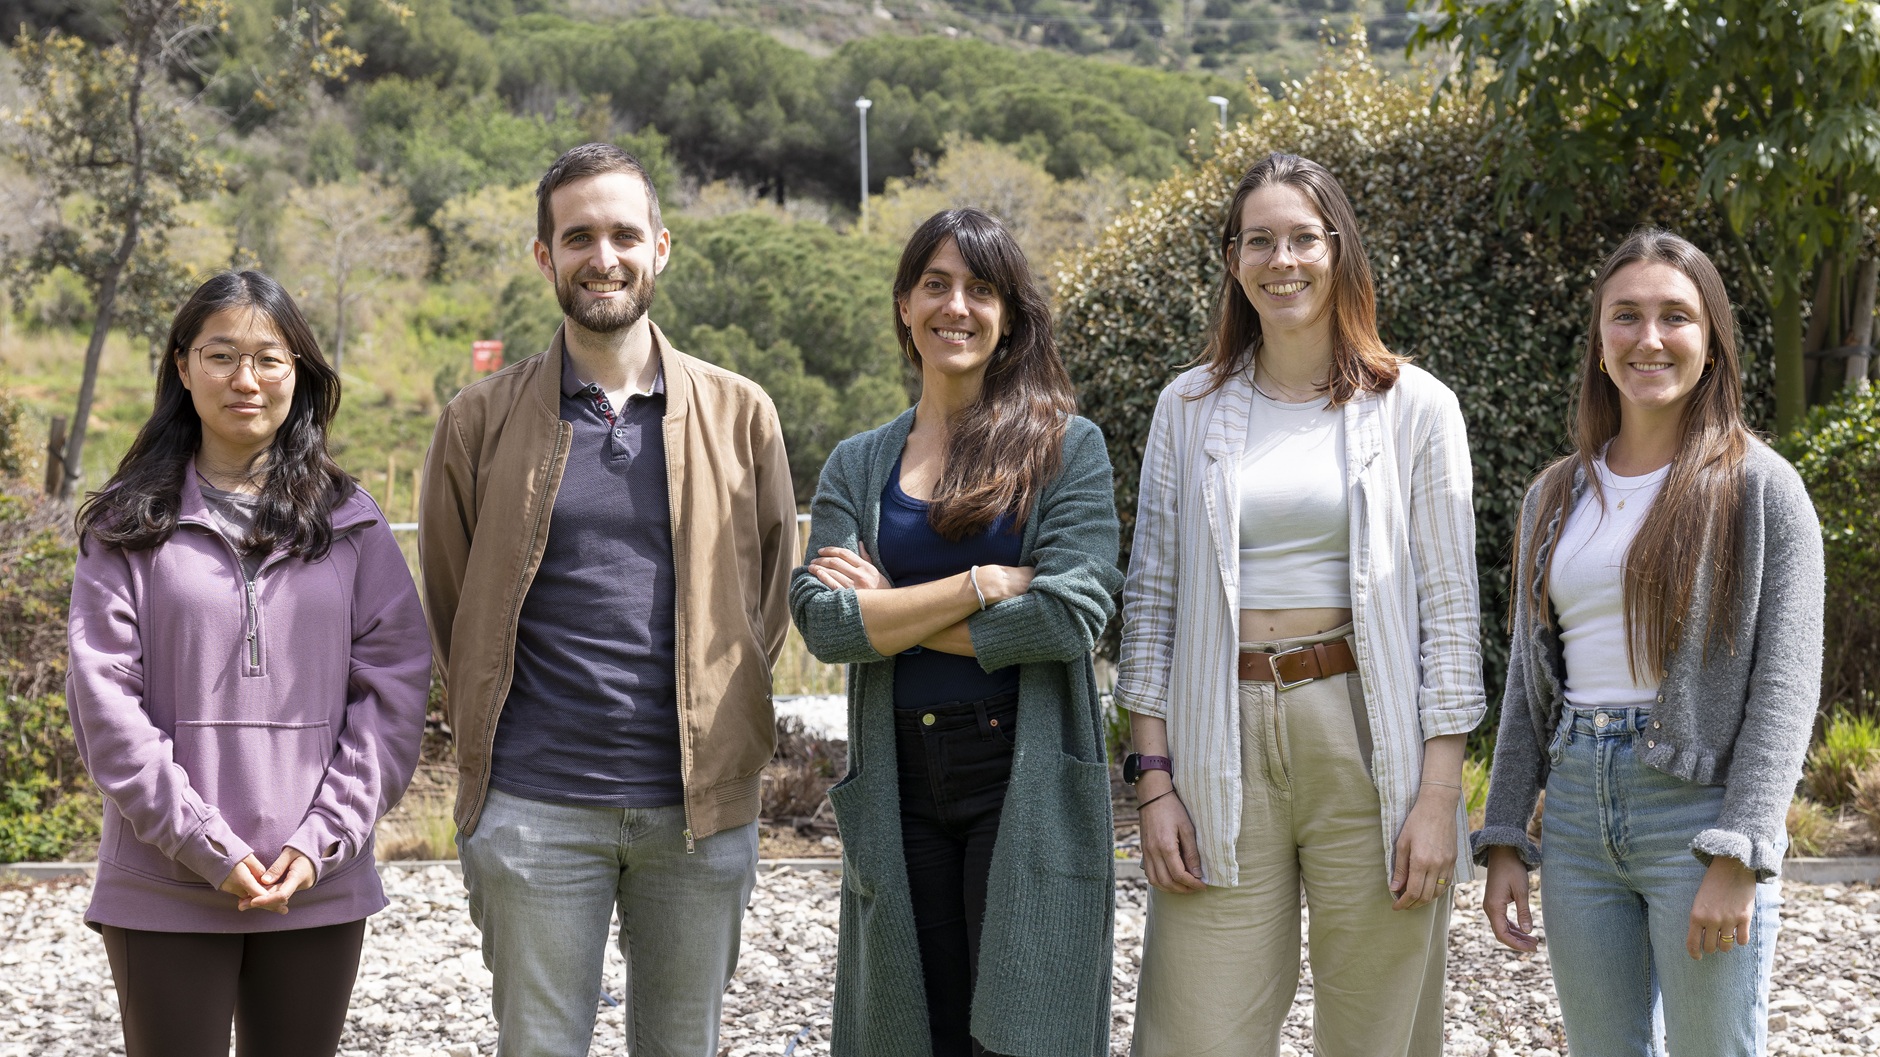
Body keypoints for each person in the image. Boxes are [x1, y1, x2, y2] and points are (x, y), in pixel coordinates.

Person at [418, 142, 795, 1057]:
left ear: (660, 246)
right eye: (578, 236)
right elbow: (451, 601)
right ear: (544, 255)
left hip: (699, 817)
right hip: (533, 809)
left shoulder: (741, 413)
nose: (604, 257)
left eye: (624, 234)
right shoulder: (477, 420)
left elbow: (770, 596)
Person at [1116, 153, 1485, 1057]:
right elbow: (1151, 605)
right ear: (1233, 260)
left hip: (1366, 734)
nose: (1282, 260)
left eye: (1303, 238)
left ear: (1338, 249)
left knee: (1376, 1033)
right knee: (1194, 1032)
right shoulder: (1187, 407)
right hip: (1217, 734)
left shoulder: (1417, 407)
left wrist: (1438, 796)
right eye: (1259, 240)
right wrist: (1153, 782)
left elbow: (1450, 613)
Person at [65, 270, 430, 1057]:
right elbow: (106, 704)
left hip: (315, 882)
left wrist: (321, 838)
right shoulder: (127, 525)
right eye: (221, 354)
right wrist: (206, 843)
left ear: (299, 372)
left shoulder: (352, 523)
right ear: (182, 364)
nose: (246, 379)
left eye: (269, 358)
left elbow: (394, 693)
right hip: (164, 881)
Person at [1475, 229, 1823, 1055]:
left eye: (1676, 316)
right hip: (1576, 817)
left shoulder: (1761, 488)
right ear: (1600, 341)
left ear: (1712, 342)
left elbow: (1785, 684)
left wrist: (1741, 850)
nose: (1649, 338)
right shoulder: (1553, 495)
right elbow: (1529, 683)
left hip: (1698, 815)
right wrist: (1506, 835)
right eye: (1625, 315)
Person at [790, 207, 1122, 1057]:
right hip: (898, 773)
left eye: (980, 289)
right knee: (912, 1030)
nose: (956, 306)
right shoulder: (858, 463)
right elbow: (825, 621)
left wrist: (892, 612)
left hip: (1019, 767)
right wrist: (978, 584)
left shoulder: (1065, 448)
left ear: (1008, 314)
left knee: (1022, 1033)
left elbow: (1068, 615)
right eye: (935, 284)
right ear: (905, 304)